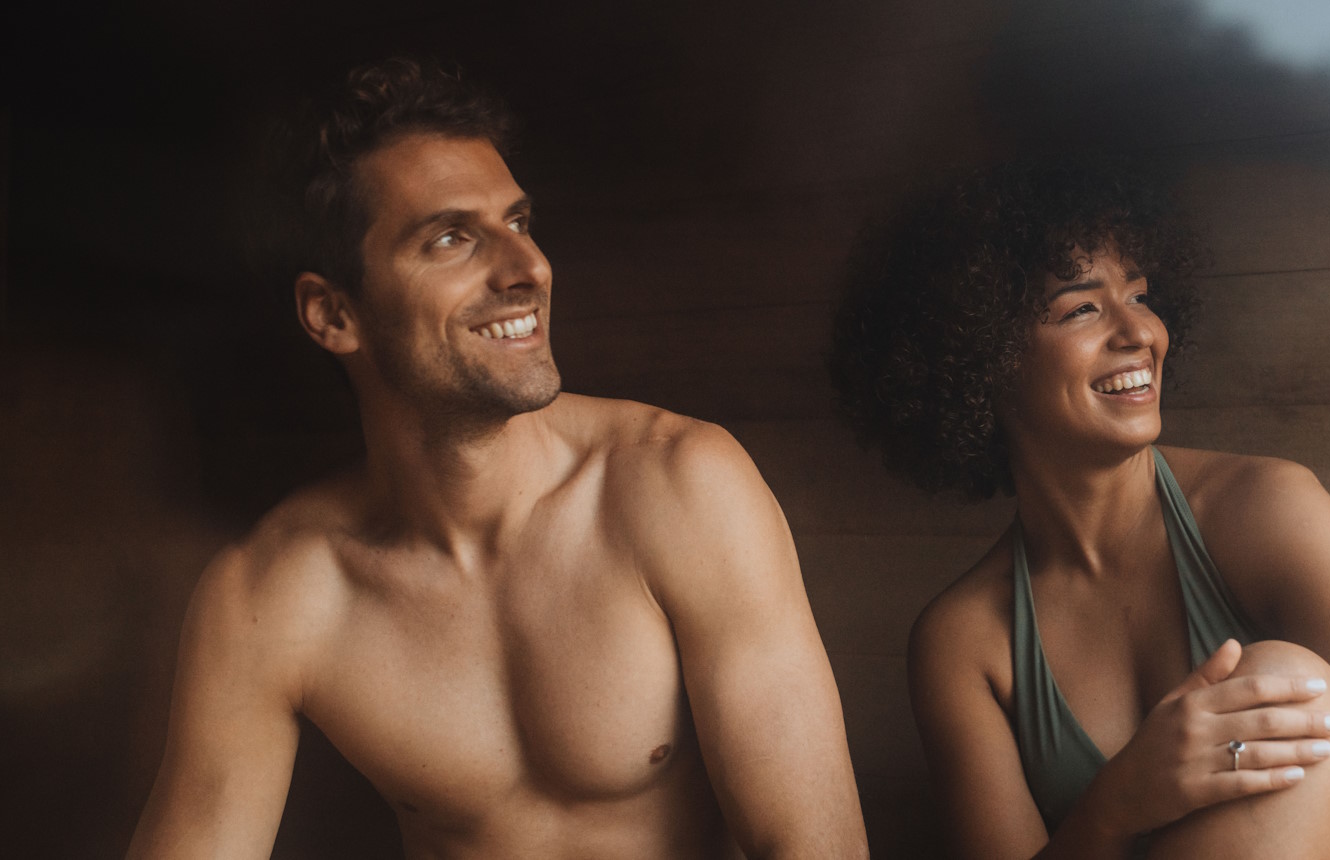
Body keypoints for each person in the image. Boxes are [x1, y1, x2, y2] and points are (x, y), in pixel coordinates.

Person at [129, 59, 867, 859]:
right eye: (451, 238)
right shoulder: (272, 595)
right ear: (333, 314)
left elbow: (811, 847)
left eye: (519, 222)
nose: (527, 269)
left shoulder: (679, 485)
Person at [828, 160, 1330, 858]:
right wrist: (1118, 802)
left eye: (1140, 297)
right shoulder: (965, 642)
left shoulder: (1264, 510)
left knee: (1288, 688)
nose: (1139, 332)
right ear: (979, 359)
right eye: (1082, 308)